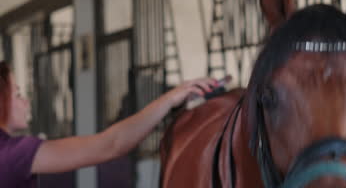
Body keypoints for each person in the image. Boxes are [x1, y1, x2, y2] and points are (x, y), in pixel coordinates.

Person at [0, 61, 219, 188]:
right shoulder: (13, 154)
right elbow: (111, 144)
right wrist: (170, 98)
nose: (26, 101)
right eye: (18, 94)